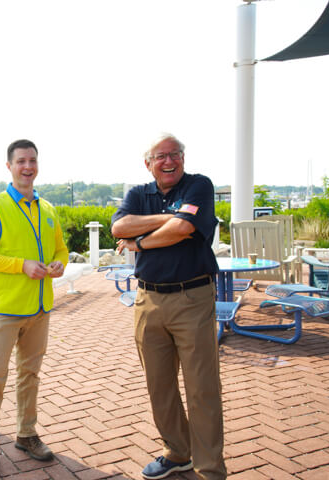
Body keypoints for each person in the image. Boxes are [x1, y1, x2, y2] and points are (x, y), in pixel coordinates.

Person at [111, 133, 225, 480]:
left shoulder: (199, 186)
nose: (168, 161)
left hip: (192, 298)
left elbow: (184, 227)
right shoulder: (137, 193)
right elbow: (119, 226)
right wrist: (168, 219)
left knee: (201, 387)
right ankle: (178, 452)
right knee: (159, 386)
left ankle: (209, 470)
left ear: (183, 159)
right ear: (149, 163)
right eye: (160, 156)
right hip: (148, 301)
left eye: (174, 154)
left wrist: (140, 243)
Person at [0, 139, 69, 478]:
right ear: (9, 166)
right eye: (21, 161)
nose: (28, 167)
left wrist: (59, 264)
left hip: (40, 309)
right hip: (4, 311)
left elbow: (61, 249)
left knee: (30, 376)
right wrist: (21, 265)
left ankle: (27, 434)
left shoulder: (47, 210)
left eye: (32, 160)